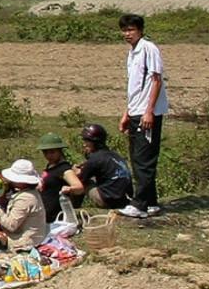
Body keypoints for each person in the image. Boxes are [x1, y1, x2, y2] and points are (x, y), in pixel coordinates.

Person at [118, 13, 169, 218]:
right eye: (124, 30)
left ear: (140, 30)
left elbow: (156, 80)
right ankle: (150, 202)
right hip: (136, 110)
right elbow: (134, 87)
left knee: (144, 158)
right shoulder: (132, 54)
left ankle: (139, 205)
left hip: (149, 112)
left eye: (131, 29)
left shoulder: (149, 49)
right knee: (137, 157)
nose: (127, 34)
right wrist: (127, 113)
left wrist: (149, 111)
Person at [65, 123, 133, 212]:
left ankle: (73, 210)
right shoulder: (115, 155)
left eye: (87, 141)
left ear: (95, 142)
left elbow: (81, 178)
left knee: (79, 182)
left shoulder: (95, 159)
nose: (84, 144)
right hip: (124, 200)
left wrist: (75, 172)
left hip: (108, 200)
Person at [0, 160, 48, 249]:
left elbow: (11, 225)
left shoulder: (25, 198)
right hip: (26, 236)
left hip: (24, 242)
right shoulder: (28, 193)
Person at [36, 134, 73, 224]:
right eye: (45, 152)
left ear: (59, 151)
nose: (49, 156)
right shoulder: (51, 165)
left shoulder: (64, 169)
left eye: (52, 152)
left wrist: (70, 189)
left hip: (54, 215)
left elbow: (79, 187)